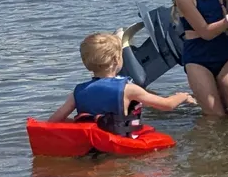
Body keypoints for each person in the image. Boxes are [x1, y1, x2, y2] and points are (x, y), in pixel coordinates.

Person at [47, 31, 193, 135]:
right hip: (122, 141)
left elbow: (53, 121)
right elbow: (166, 105)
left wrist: (81, 124)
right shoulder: (129, 89)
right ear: (117, 60)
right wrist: (182, 96)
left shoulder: (77, 92)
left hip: (92, 145)